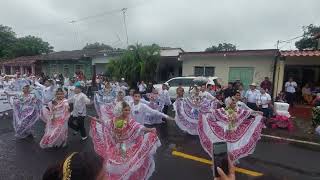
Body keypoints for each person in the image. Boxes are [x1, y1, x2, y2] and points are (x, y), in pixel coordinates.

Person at [90, 101, 160, 179]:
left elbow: (139, 127)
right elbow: (105, 123)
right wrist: (96, 120)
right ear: (121, 110)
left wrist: (150, 129)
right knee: (117, 162)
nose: (128, 112)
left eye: (129, 110)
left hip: (127, 144)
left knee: (126, 162)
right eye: (126, 110)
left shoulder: (129, 120)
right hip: (118, 144)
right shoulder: (114, 120)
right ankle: (121, 175)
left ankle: (126, 176)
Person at [198, 94, 264, 162]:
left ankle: (230, 160)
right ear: (229, 104)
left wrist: (257, 112)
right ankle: (223, 160)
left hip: (233, 131)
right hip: (225, 131)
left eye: (235, 103)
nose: (235, 104)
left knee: (232, 145)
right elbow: (212, 111)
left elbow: (249, 112)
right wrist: (202, 111)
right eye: (233, 103)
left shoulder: (238, 110)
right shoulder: (223, 110)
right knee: (225, 145)